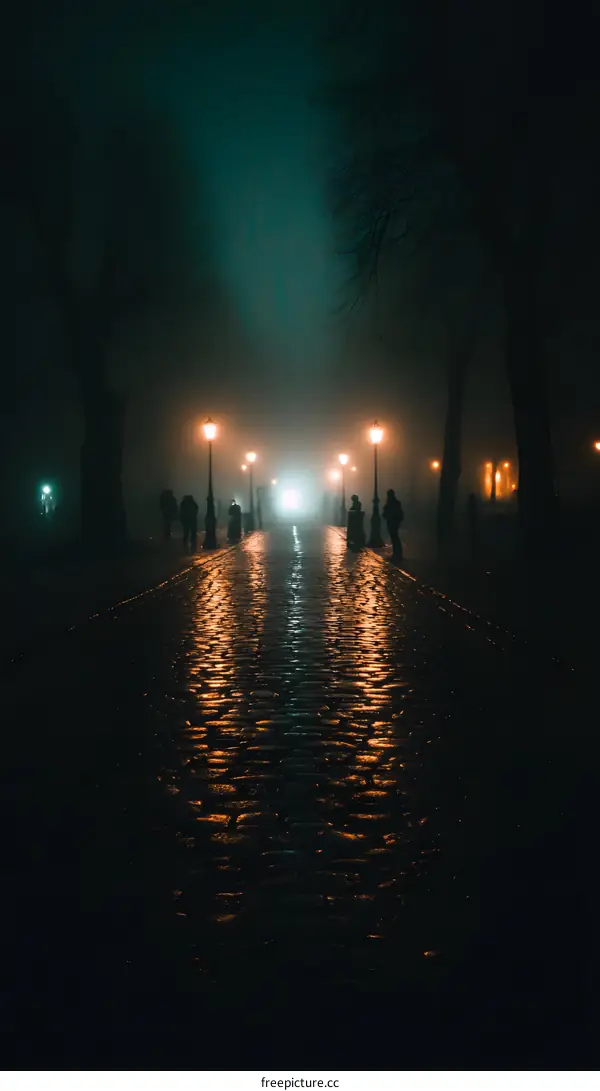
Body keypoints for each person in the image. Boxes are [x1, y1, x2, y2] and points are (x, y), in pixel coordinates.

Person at [382, 488, 404, 558]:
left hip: (392, 522)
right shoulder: (396, 503)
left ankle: (397, 553)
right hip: (394, 522)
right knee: (395, 538)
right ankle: (397, 553)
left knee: (394, 538)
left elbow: (386, 514)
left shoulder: (390, 503)